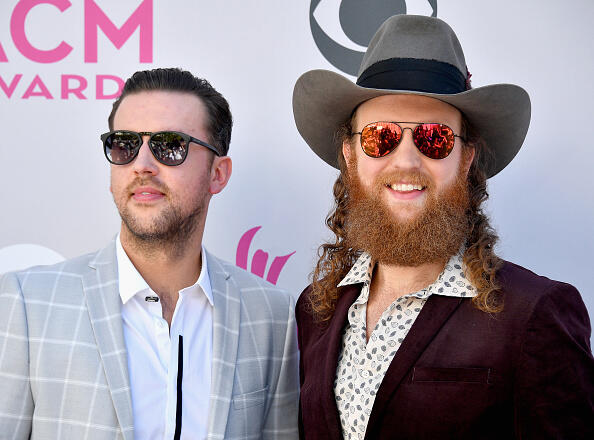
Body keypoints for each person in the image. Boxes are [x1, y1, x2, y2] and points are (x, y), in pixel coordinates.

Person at [292, 15, 593, 439]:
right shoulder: (314, 312)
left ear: (465, 159)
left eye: (435, 139)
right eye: (381, 137)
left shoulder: (535, 314)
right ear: (351, 154)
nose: (407, 161)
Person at [0, 68, 299, 439]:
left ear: (218, 174)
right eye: (124, 144)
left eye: (169, 145)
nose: (141, 165)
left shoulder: (271, 316)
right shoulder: (29, 304)